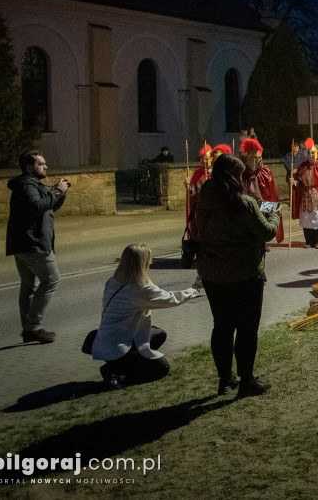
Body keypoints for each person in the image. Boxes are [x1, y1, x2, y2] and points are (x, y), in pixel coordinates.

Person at [195, 153, 281, 398]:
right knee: (246, 329)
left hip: (213, 274)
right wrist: (274, 213)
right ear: (234, 176)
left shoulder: (206, 197)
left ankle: (225, 379)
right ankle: (246, 380)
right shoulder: (242, 203)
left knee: (221, 327)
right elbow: (265, 232)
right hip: (245, 275)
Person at [92, 244, 198, 389]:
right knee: (162, 368)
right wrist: (194, 289)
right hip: (119, 345)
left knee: (159, 333)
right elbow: (171, 299)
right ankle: (119, 374)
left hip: (104, 339)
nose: (150, 263)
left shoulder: (113, 281)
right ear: (142, 263)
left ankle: (125, 364)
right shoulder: (139, 289)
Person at [6, 150, 69, 343]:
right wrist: (57, 190)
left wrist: (62, 193)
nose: (45, 166)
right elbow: (37, 206)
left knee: (29, 285)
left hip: (24, 244)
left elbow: (48, 206)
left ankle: (28, 328)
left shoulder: (32, 185)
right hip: (33, 244)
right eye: (41, 163)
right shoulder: (26, 186)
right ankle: (34, 327)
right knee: (51, 281)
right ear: (28, 167)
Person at [240, 138, 284, 247]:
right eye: (253, 158)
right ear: (247, 158)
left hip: (263, 204)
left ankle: (262, 242)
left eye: (259, 158)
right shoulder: (242, 174)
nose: (256, 161)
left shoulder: (266, 172)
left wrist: (273, 208)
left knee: (263, 224)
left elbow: (272, 193)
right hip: (249, 205)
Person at [292, 138, 318, 248]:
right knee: (306, 219)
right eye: (310, 154)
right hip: (305, 195)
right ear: (307, 155)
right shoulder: (302, 166)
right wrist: (294, 182)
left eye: (313, 154)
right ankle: (309, 241)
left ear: (316, 154)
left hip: (316, 195)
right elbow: (298, 182)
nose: (312, 156)